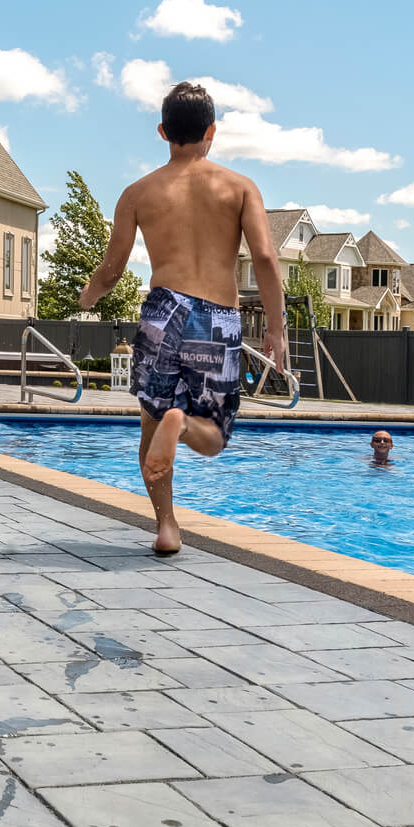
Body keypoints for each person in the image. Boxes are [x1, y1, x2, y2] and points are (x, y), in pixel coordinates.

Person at [77, 81, 287, 555]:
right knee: (213, 435)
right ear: (212, 130)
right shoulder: (239, 187)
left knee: (150, 426)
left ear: (162, 131)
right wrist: (275, 329)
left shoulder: (138, 193)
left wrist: (88, 296)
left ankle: (167, 526)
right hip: (216, 316)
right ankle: (184, 423)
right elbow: (267, 260)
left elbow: (112, 270)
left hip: (161, 309)